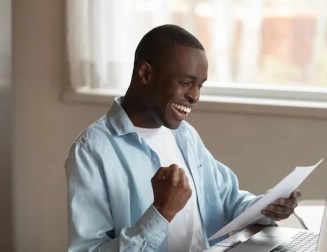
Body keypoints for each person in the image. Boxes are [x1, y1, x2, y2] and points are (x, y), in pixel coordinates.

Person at [65, 24, 301, 252]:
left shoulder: (184, 135)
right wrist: (161, 212)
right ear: (145, 73)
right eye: (186, 83)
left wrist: (268, 207)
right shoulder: (92, 151)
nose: (195, 96)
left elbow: (228, 199)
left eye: (200, 85)